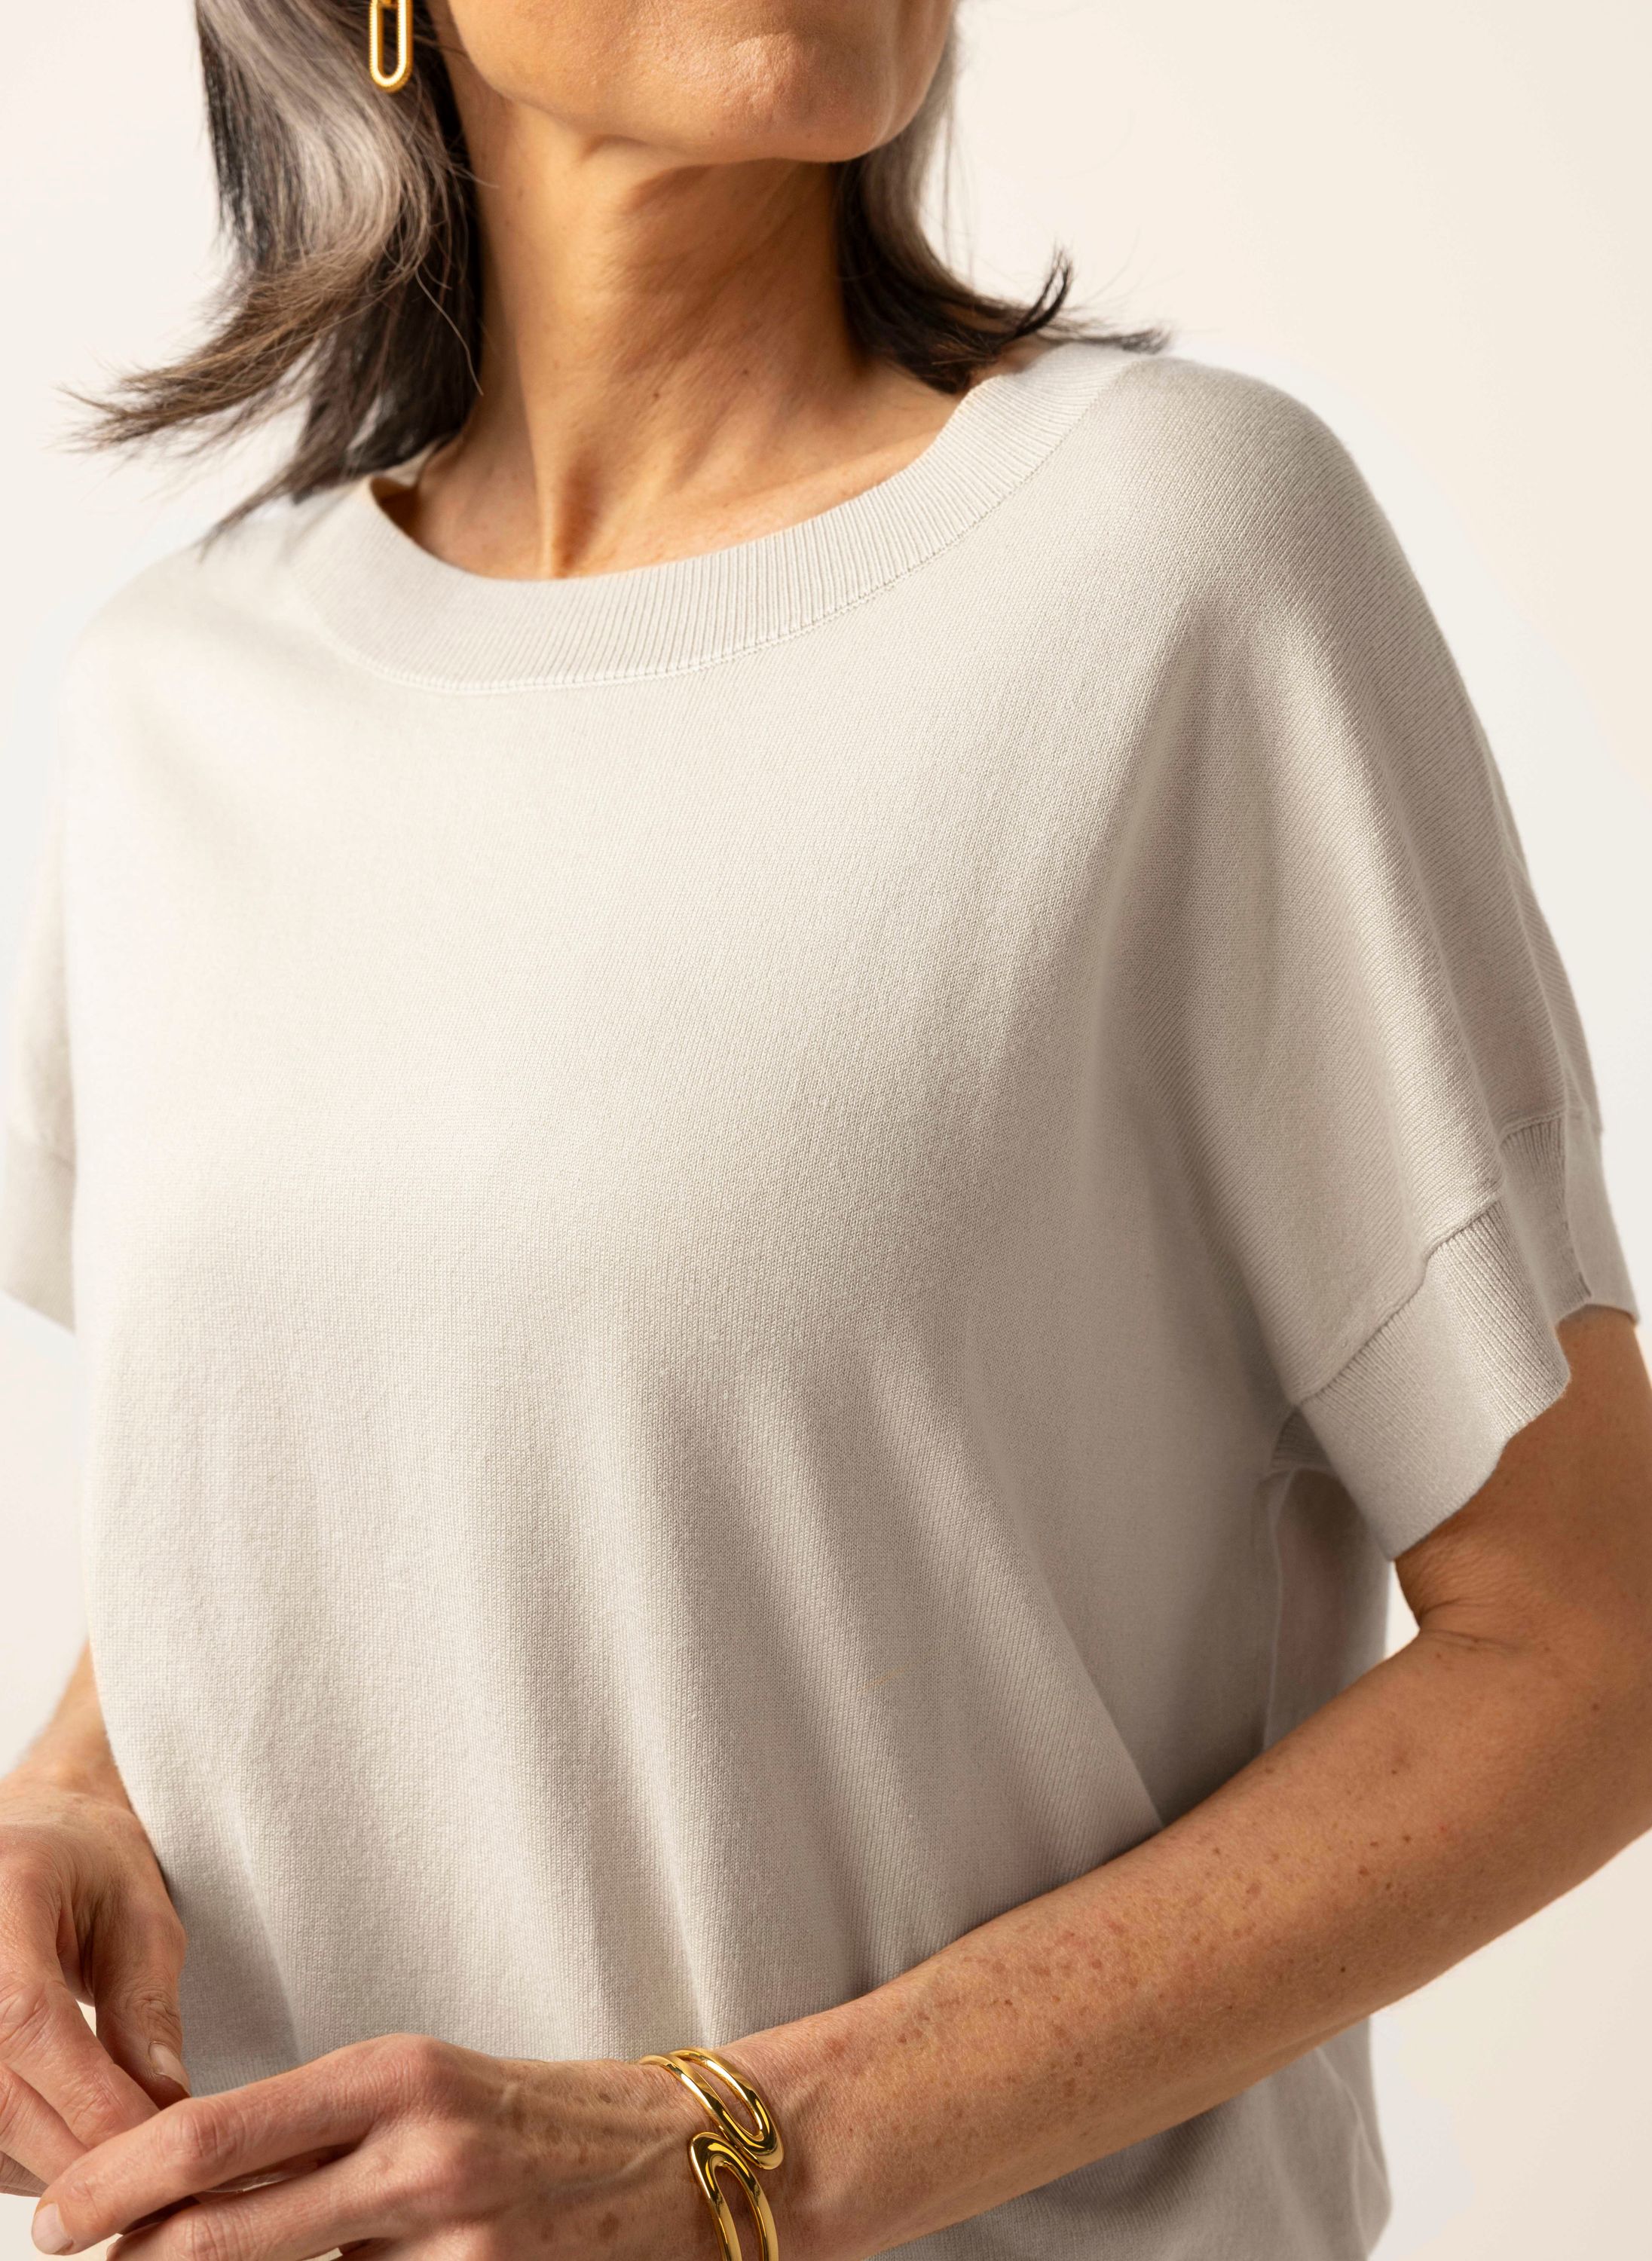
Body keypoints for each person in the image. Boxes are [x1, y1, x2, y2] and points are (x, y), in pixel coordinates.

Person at [1, 0, 1648, 2255]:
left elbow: (1588, 1648)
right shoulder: (173, 703)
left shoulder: (1171, 560)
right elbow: (382, 1466)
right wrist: (76, 1802)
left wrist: (737, 2151)